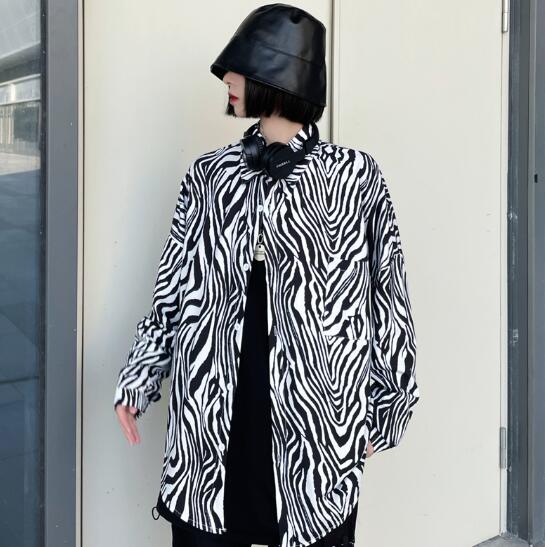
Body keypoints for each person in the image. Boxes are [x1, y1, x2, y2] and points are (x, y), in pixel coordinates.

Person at [114, 4, 419, 547]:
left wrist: (386, 406)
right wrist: (141, 377)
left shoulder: (354, 177)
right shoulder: (209, 175)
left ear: (278, 75)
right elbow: (172, 290)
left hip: (315, 430)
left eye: (239, 67)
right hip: (211, 423)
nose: (226, 80)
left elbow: (388, 298)